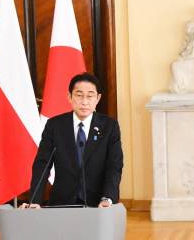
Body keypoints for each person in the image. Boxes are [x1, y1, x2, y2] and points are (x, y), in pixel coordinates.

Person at [22, 73, 123, 208]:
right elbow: (42, 164)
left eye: (90, 96)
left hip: (98, 204)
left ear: (98, 98)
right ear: (69, 97)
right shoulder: (54, 125)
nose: (84, 102)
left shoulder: (109, 126)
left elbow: (114, 166)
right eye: (79, 95)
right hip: (62, 202)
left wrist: (107, 198)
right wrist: (35, 200)